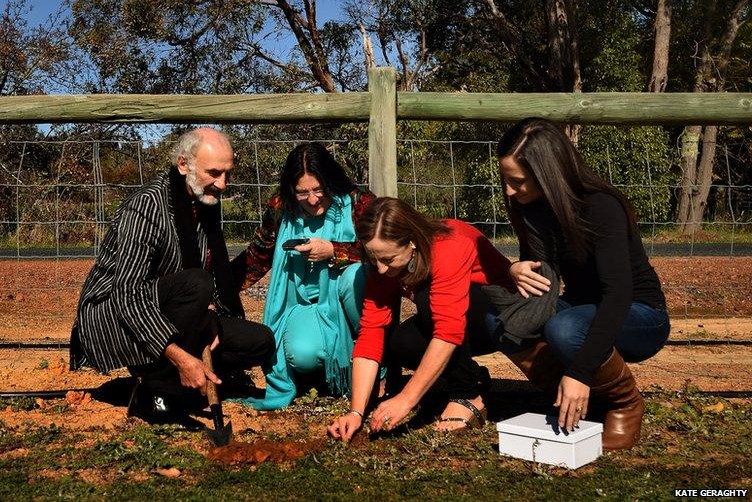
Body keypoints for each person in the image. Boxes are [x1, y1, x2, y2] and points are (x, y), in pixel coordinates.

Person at [485, 117, 669, 450]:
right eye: (506, 180)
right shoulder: (531, 208)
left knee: (565, 329)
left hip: (639, 314)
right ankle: (574, 400)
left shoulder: (600, 206)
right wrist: (516, 270)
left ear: (547, 174)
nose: (509, 191)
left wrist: (581, 372)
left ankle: (624, 404)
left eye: (518, 181)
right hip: (580, 310)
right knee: (499, 321)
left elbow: (618, 296)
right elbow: (541, 280)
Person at [69, 127, 275, 424]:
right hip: (113, 315)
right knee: (197, 284)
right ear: (183, 165)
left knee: (260, 341)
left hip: (176, 308)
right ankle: (155, 393)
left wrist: (211, 313)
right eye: (214, 173)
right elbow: (127, 294)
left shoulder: (204, 202)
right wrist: (179, 356)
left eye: (227, 173)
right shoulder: (146, 208)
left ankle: (181, 379)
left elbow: (211, 276)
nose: (223, 183)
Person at [328, 197, 514, 442]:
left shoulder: (449, 244)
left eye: (388, 259)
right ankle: (474, 376)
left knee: (429, 299)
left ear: (412, 241)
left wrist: (406, 400)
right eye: (374, 258)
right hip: (458, 322)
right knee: (402, 343)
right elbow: (371, 331)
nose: (381, 269)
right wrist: (356, 412)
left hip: (501, 316)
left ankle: (467, 395)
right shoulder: (382, 267)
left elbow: (448, 331)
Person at [229, 142, 375, 410]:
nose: (312, 199)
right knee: (302, 354)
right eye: (302, 192)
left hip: (353, 302)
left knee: (355, 275)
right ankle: (332, 373)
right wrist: (217, 286)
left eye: (319, 189)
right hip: (307, 303)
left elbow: (383, 256)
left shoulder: (359, 204)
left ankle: (375, 360)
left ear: (331, 182)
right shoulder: (280, 208)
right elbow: (257, 256)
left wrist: (334, 251)